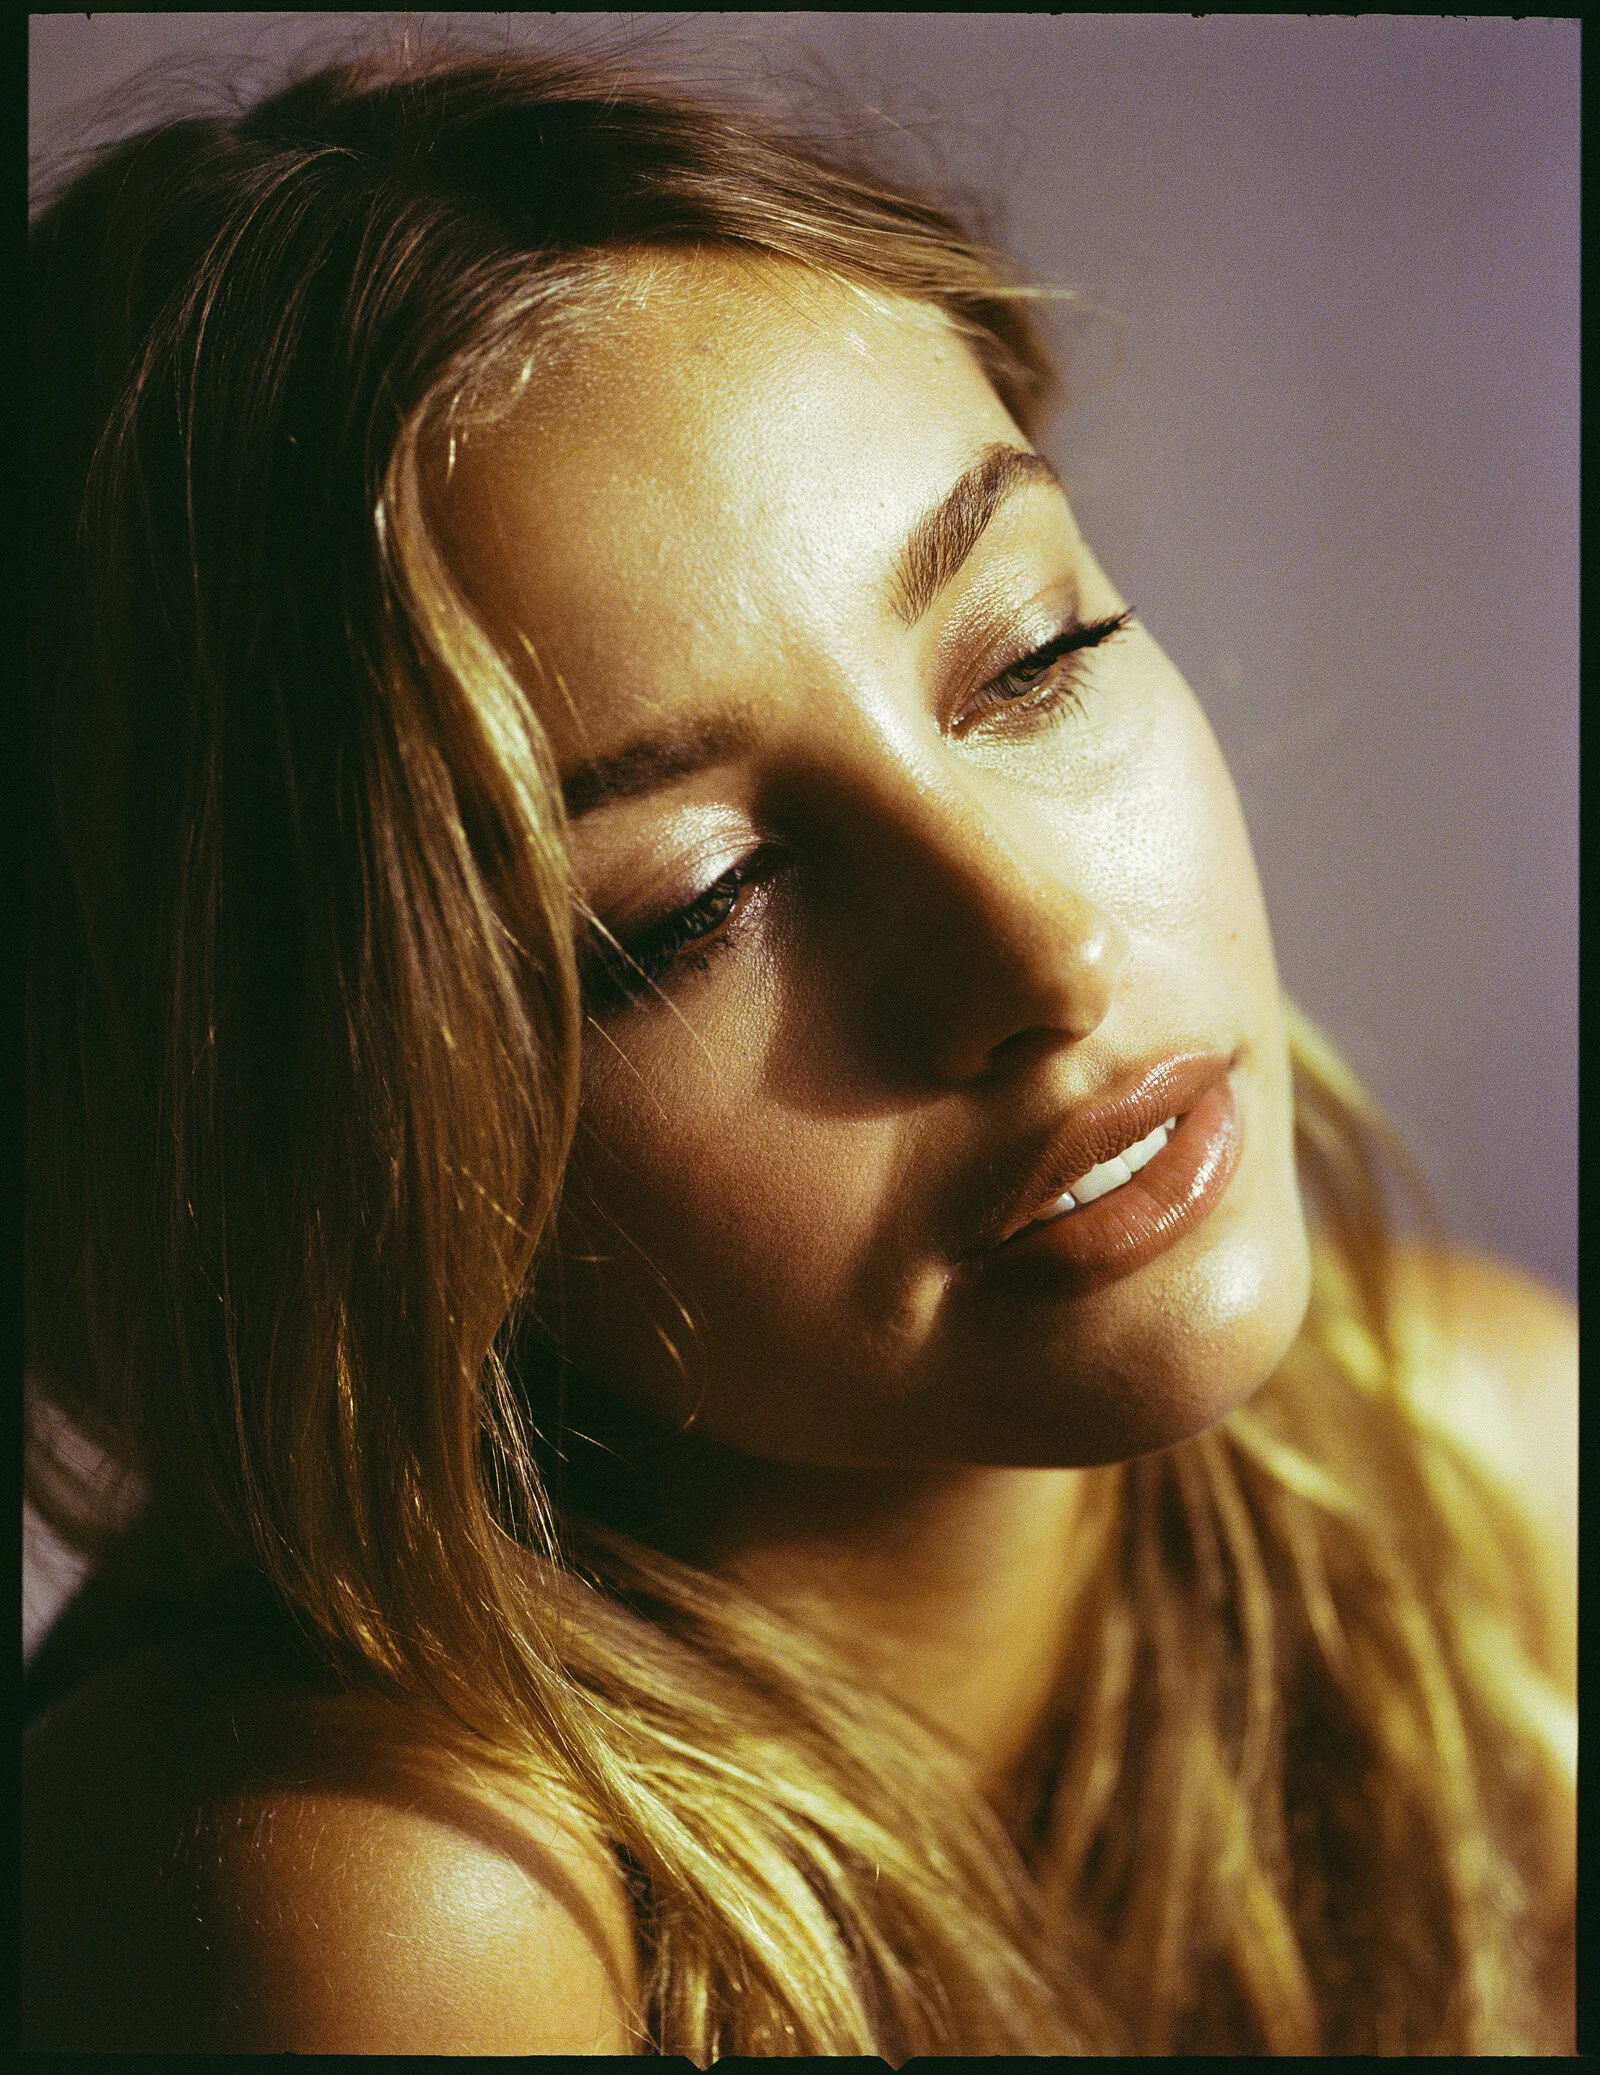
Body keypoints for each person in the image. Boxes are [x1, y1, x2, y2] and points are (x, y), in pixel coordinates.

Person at [23, 41, 1575, 2057]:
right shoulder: (372, 1902)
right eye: (691, 906)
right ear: (301, 1148)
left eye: (1033, 658)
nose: (1045, 947)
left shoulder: (1475, 1472)